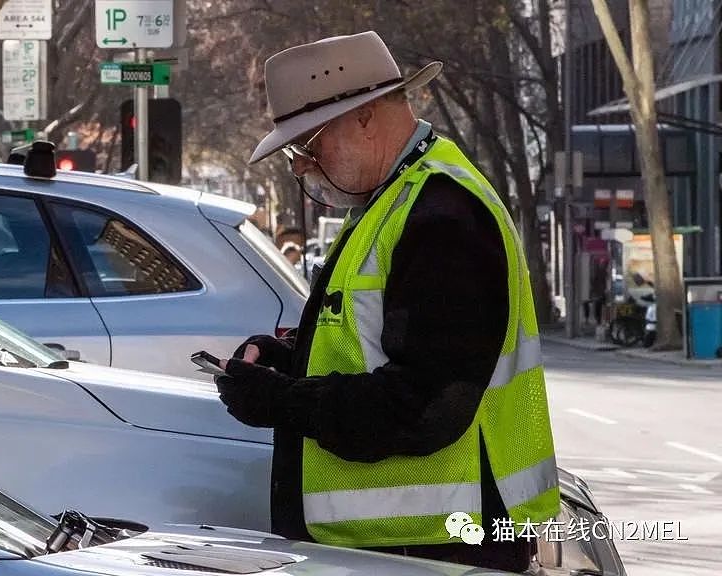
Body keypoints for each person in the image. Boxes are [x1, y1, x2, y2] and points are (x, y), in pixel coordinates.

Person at [211, 31, 560, 572]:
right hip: (419, 543)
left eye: (310, 143)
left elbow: (425, 404)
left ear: (365, 117)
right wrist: (288, 361)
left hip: (441, 546)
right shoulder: (399, 201)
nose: (303, 165)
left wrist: (282, 402)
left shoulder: (441, 216)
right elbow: (376, 344)